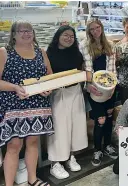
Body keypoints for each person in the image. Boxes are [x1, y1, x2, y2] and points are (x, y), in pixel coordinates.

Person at [0, 20, 53, 186]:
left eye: (29, 30)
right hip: (13, 106)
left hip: (37, 104)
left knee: (32, 142)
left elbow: (50, 76)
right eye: (22, 31)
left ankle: (32, 179)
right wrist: (15, 87)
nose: (26, 33)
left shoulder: (41, 52)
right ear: (14, 34)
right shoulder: (4, 52)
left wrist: (48, 88)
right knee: (14, 145)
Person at [46, 25, 87, 179]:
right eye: (66, 35)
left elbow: (81, 70)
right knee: (59, 127)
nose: (69, 38)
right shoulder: (49, 53)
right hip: (58, 92)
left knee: (76, 125)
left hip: (75, 91)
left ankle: (71, 156)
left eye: (71, 36)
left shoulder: (76, 52)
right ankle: (55, 162)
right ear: (58, 36)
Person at [79, 19, 118, 166]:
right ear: (88, 31)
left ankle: (107, 145)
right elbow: (85, 68)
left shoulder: (110, 44)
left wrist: (113, 85)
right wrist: (88, 86)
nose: (96, 31)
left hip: (109, 86)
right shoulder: (84, 46)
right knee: (100, 119)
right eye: (92, 29)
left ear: (101, 28)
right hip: (94, 88)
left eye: (97, 27)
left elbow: (113, 67)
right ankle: (97, 149)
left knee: (109, 116)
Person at [113, 17, 128, 104]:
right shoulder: (118, 44)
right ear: (124, 28)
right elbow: (116, 63)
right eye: (127, 27)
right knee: (126, 103)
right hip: (123, 80)